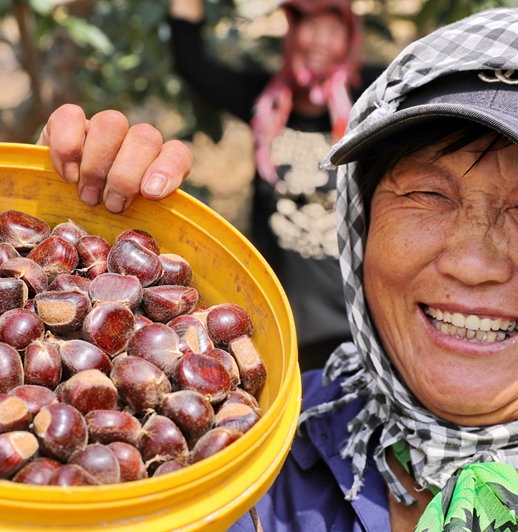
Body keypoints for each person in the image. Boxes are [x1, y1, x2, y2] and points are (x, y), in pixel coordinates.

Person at [39, 7, 518, 530]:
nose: (470, 263)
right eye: (426, 196)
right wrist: (70, 264)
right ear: (360, 218)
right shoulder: (252, 449)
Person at [165, 0, 386, 372]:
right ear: (291, 32)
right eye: (309, 26)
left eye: (333, 30)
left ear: (349, 41)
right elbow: (192, 63)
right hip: (280, 320)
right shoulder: (263, 99)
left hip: (353, 324)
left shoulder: (369, 101)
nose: (319, 41)